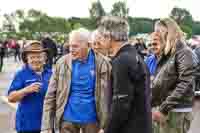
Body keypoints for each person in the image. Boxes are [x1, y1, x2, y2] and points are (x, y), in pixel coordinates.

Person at [41, 28, 111, 133]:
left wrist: (106, 126)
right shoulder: (62, 63)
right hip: (67, 121)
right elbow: (50, 96)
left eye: (75, 46)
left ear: (88, 45)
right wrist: (46, 127)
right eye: (70, 46)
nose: (71, 49)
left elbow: (111, 96)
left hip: (93, 122)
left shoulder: (104, 63)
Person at [97, 16, 152, 133]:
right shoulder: (134, 56)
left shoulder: (122, 60)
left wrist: (107, 130)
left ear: (109, 37)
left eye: (101, 37)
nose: (99, 41)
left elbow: (121, 102)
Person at [151, 18, 194, 133]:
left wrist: (164, 109)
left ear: (169, 32)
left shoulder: (184, 52)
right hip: (166, 109)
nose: (156, 35)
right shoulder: (169, 53)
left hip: (176, 111)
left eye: (159, 31)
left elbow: (185, 83)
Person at [7, 41, 52, 133]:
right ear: (27, 59)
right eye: (32, 57)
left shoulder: (51, 74)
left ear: (45, 58)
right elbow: (11, 98)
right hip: (27, 126)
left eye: (39, 57)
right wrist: (26, 90)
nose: (36, 60)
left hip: (47, 125)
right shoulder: (21, 74)